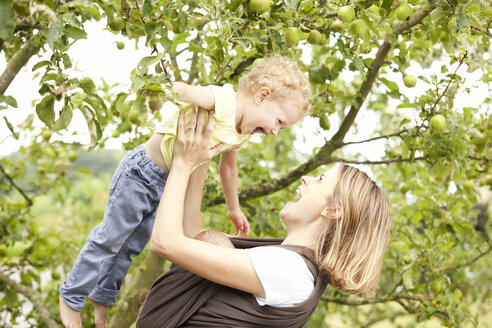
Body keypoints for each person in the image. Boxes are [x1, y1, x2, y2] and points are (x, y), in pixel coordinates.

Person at [59, 55, 312, 328]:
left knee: (129, 247)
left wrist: (233, 207)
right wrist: (152, 97)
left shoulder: (240, 134)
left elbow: (228, 169)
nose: (275, 131)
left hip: (167, 186)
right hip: (141, 173)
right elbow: (184, 91)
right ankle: (71, 296)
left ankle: (103, 299)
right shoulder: (223, 101)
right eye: (279, 122)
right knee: (110, 238)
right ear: (262, 96)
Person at [136, 109, 392, 327]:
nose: (307, 178)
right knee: (211, 238)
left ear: (333, 210)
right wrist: (204, 152)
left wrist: (182, 163)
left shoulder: (291, 271)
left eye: (321, 179)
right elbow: (189, 236)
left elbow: (166, 243)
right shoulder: (286, 266)